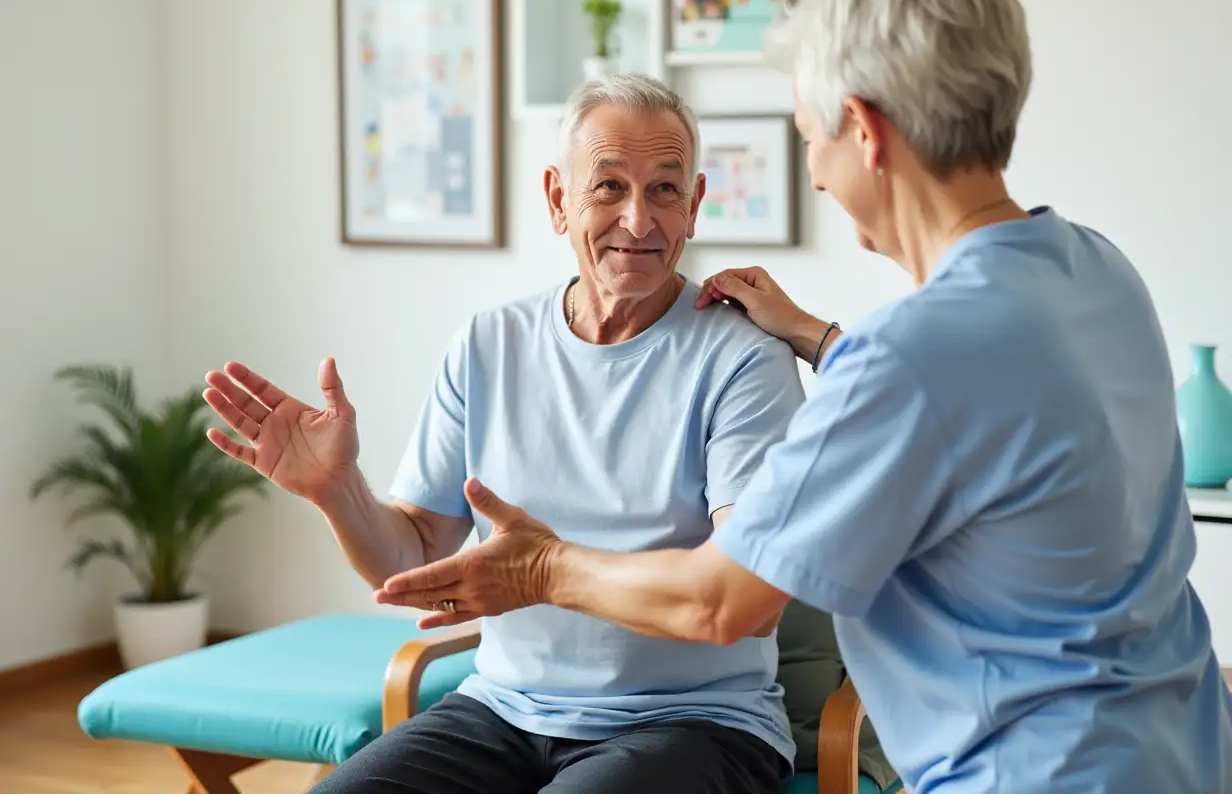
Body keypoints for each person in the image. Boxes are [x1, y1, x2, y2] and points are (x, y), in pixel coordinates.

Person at [378, 0, 1232, 793]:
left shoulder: (911, 359)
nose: (814, 176)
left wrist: (543, 567)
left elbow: (718, 604)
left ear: (864, 132)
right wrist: (820, 338)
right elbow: (978, 398)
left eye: (808, 137)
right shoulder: (1094, 268)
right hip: (1182, 753)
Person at [204, 73, 859, 794]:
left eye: (665, 190)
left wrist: (550, 570)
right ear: (557, 199)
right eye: (608, 186)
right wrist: (339, 493)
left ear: (695, 205)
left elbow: (732, 603)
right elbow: (417, 557)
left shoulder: (742, 358)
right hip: (503, 711)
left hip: (695, 722)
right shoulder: (489, 344)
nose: (639, 221)